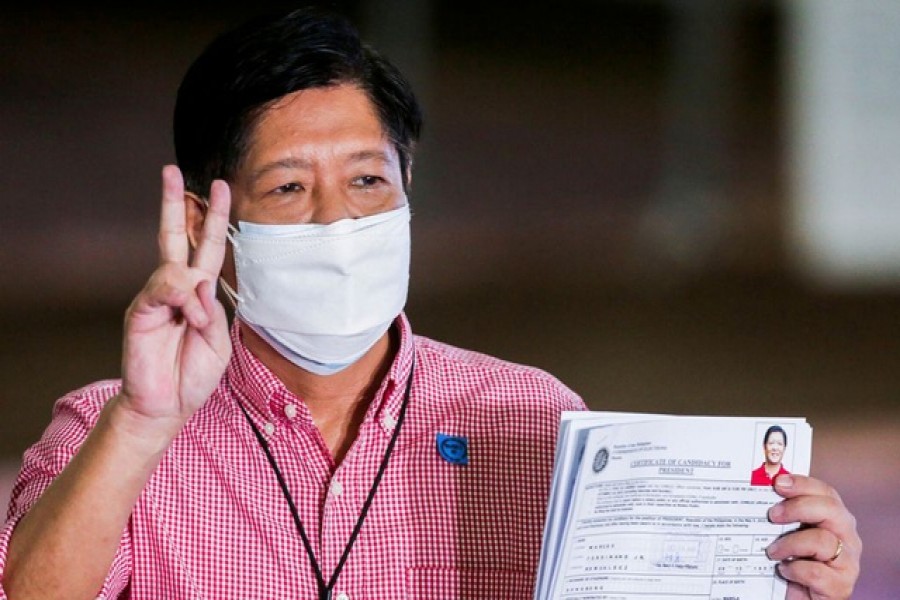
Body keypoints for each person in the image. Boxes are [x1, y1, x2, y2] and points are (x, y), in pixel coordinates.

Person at [0, 6, 860, 599]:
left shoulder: (533, 422)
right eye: (291, 187)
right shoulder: (106, 439)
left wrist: (789, 573)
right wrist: (146, 423)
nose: (339, 219)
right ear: (205, 219)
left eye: (369, 180)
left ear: (409, 185)